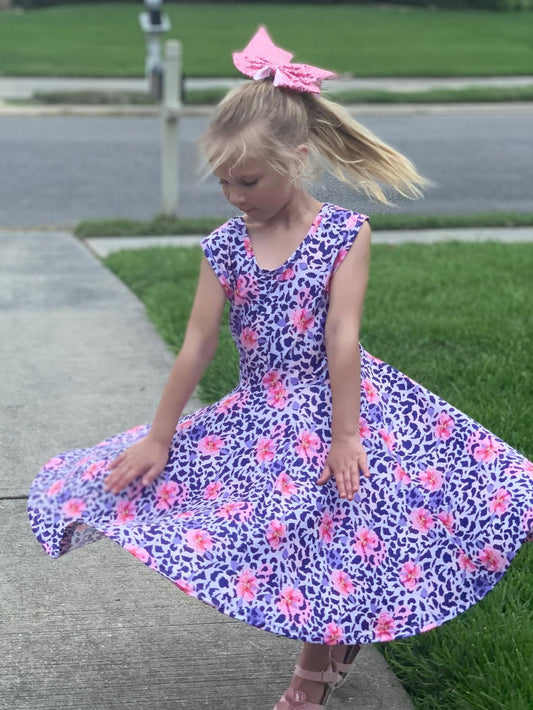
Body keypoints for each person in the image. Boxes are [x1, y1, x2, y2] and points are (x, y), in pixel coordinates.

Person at [28, 27, 532, 710]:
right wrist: (159, 435)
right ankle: (333, 642)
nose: (236, 195)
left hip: (341, 403)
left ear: (296, 160)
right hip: (261, 411)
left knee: (347, 518)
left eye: (249, 180)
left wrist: (346, 434)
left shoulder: (345, 235)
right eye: (225, 183)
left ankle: (311, 676)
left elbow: (342, 337)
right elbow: (197, 346)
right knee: (271, 529)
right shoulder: (225, 247)